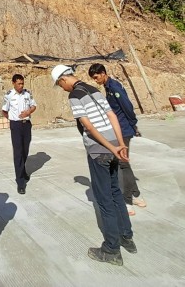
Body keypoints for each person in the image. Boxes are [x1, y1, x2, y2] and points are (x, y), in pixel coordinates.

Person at [52, 64, 137, 266]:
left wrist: (109, 146)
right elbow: (112, 116)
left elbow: (88, 126)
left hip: (99, 152)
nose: (62, 88)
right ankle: (127, 237)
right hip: (115, 146)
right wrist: (119, 144)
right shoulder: (95, 90)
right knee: (116, 192)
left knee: (104, 199)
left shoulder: (74, 96)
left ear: (63, 80)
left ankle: (111, 249)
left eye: (60, 85)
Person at [88, 63, 146, 215]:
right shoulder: (108, 87)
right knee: (124, 163)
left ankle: (127, 201)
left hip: (124, 130)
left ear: (103, 73)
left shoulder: (114, 88)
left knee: (123, 163)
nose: (96, 81)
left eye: (96, 77)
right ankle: (136, 195)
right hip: (119, 129)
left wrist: (133, 125)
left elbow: (127, 106)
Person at [1, 73, 37, 194]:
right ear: (13, 83)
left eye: (22, 83)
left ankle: (23, 171)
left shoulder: (27, 93)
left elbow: (34, 106)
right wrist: (13, 119)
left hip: (26, 124)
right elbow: (4, 111)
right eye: (19, 83)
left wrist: (28, 112)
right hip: (16, 125)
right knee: (18, 152)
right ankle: (20, 182)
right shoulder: (9, 95)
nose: (21, 86)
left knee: (25, 150)